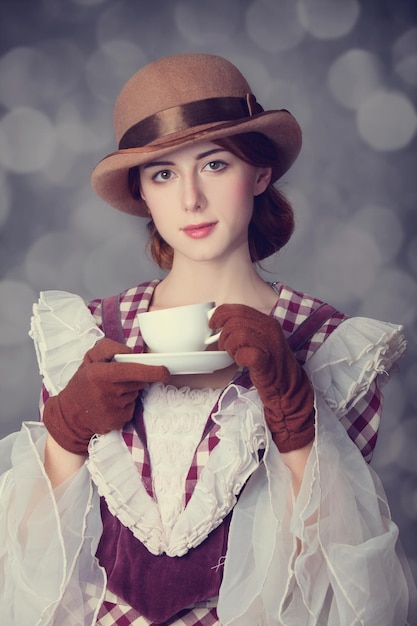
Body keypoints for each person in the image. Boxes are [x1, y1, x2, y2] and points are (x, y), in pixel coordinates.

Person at [0, 53, 415, 626]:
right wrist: (66, 433)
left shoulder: (328, 344)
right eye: (163, 174)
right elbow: (28, 571)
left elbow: (347, 585)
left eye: (215, 165)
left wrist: (295, 411)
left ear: (260, 173)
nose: (190, 198)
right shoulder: (90, 333)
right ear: (143, 194)